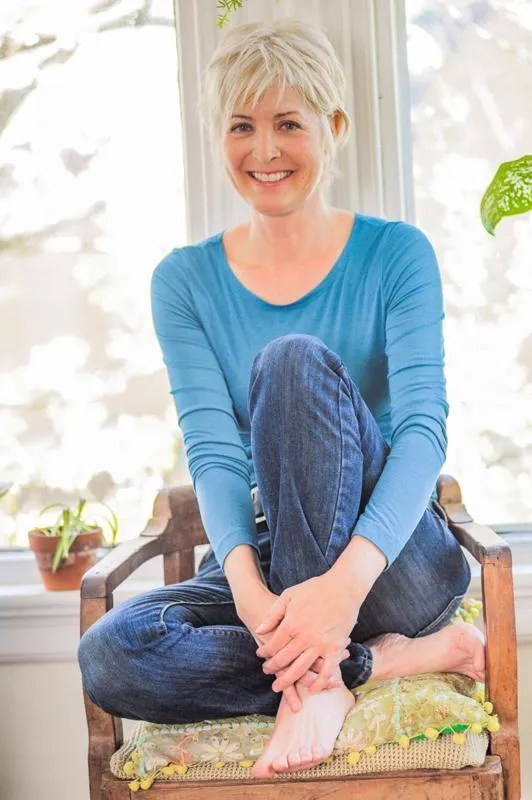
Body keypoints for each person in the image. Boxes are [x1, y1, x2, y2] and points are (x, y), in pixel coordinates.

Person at [78, 18, 485, 779]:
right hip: (271, 547)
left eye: (288, 124)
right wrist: (253, 597)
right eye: (242, 126)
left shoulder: (397, 254)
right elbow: (214, 453)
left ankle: (326, 661)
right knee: (111, 653)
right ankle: (359, 668)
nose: (264, 151)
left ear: (334, 128)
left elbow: (423, 432)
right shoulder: (185, 282)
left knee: (291, 362)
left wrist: (343, 591)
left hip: (393, 560)